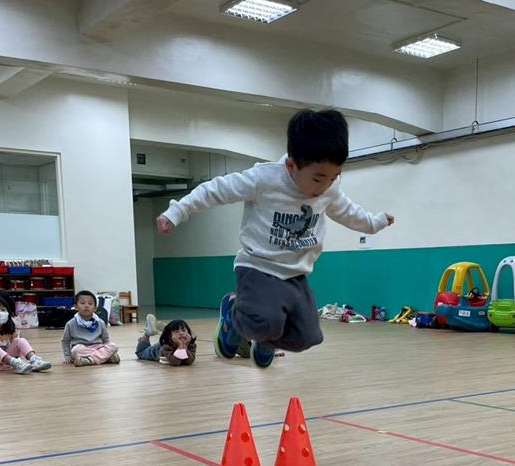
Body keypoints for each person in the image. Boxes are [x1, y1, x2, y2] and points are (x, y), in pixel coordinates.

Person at [156, 108, 394, 368]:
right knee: (264, 322)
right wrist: (177, 211)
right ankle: (233, 316)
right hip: (258, 266)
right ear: (291, 166)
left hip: (295, 274)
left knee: (308, 337)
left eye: (334, 177)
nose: (325, 186)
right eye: (318, 178)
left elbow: (347, 211)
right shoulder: (264, 179)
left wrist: (374, 223)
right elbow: (216, 190)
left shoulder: (328, 189)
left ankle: (264, 340)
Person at [0, 293, 51, 374]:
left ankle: (34, 360)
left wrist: (16, 358)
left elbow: (18, 348)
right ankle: (15, 363)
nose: (0, 313)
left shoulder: (11, 329)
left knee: (20, 340)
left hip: (8, 360)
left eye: (3, 310)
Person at [61, 290, 120, 365]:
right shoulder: (70, 323)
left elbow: (105, 340)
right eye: (82, 303)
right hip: (81, 349)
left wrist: (107, 348)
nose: (86, 306)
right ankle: (105, 358)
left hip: (98, 347)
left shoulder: (100, 322)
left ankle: (89, 360)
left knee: (113, 346)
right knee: (76, 350)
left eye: (90, 303)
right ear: (76, 307)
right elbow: (65, 341)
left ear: (95, 308)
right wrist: (67, 356)